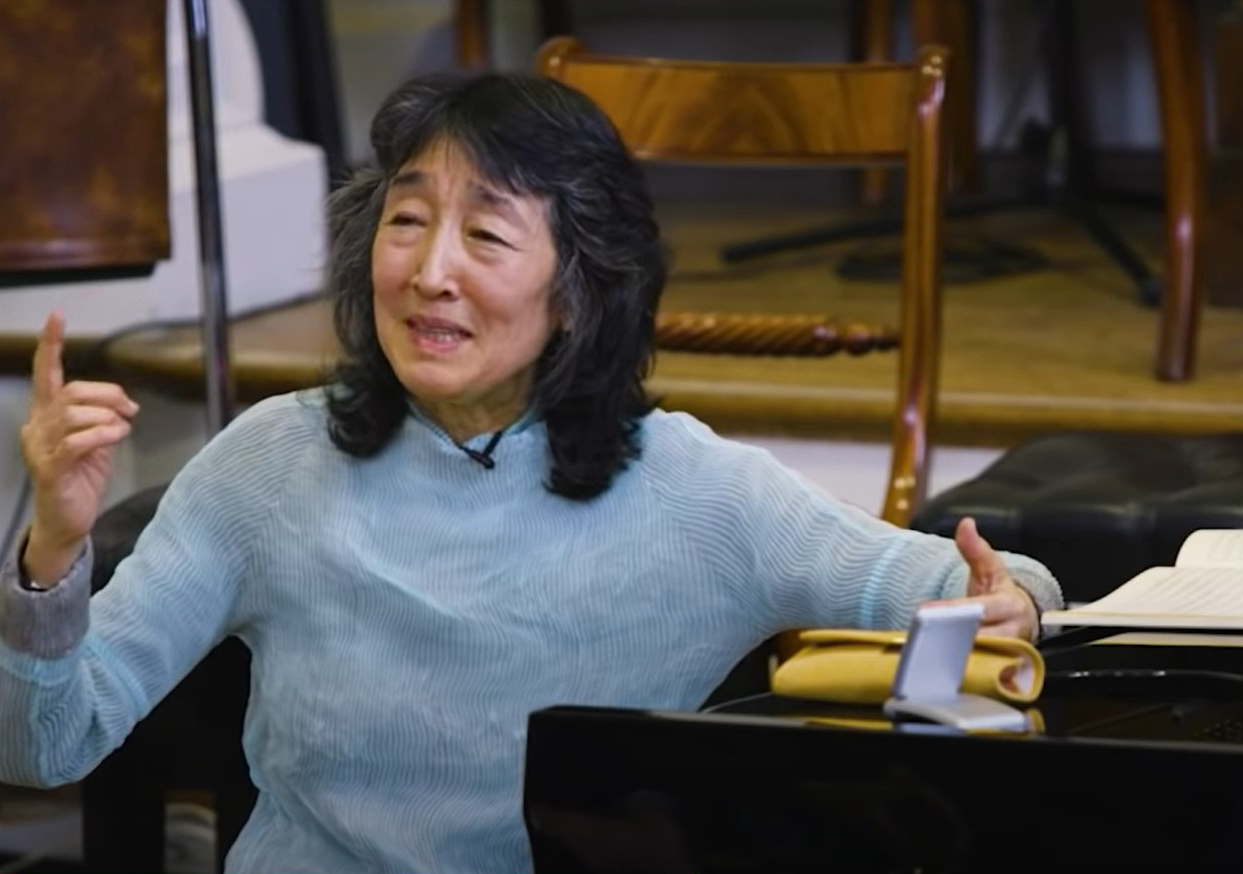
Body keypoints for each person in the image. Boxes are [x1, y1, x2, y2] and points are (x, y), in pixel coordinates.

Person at [1, 70, 1064, 872]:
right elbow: (46, 744)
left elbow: (978, 590)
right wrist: (51, 546)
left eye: (485, 235)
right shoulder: (271, 462)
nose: (430, 272)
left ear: (577, 288)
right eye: (406, 221)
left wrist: (1011, 596)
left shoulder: (694, 494)